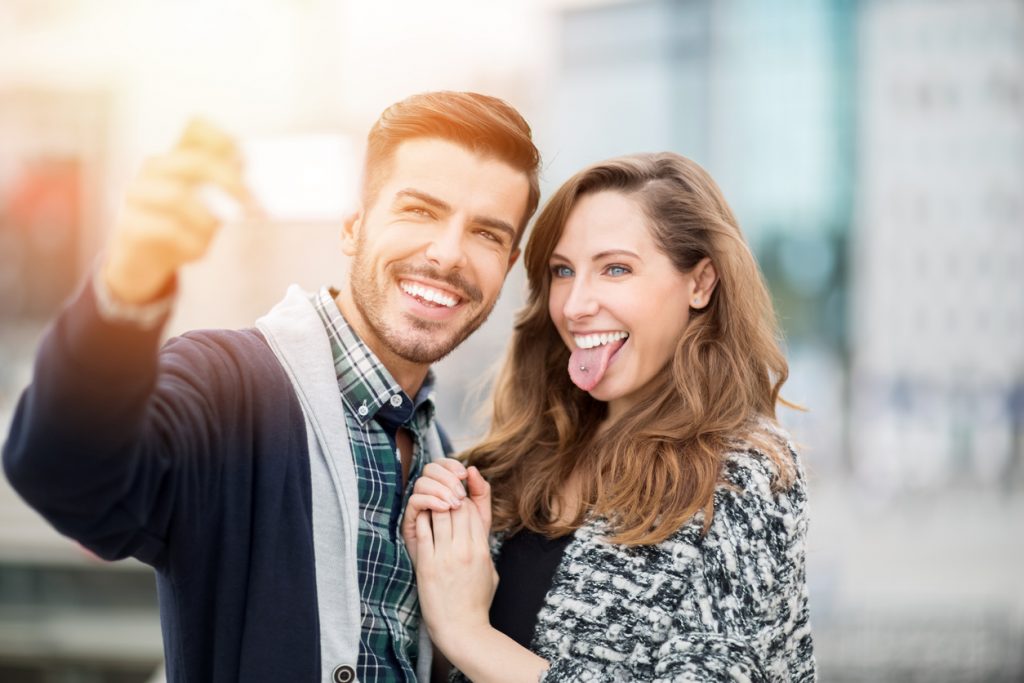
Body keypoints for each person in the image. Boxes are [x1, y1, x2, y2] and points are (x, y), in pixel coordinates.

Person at [2, 91, 541, 683]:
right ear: (353, 226)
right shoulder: (226, 386)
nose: (448, 253)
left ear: (509, 264)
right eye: (419, 211)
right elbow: (67, 475)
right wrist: (127, 286)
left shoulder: (443, 457)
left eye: (487, 234)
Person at [402, 152, 816, 681]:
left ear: (700, 283)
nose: (575, 305)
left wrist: (469, 634)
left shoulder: (741, 476)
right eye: (562, 271)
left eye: (615, 269)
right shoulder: (506, 468)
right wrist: (436, 570)